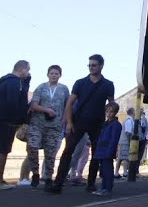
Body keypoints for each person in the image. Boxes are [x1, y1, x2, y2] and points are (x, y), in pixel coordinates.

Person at [46, 54, 115, 194]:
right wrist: (69, 122)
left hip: (97, 123)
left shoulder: (108, 85)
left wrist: (109, 121)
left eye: (94, 65)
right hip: (79, 121)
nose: (91, 67)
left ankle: (90, 184)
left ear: (101, 66)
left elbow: (111, 104)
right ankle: (58, 183)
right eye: (89, 65)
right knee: (67, 152)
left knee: (96, 154)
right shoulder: (80, 83)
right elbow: (70, 103)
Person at [20, 65, 68, 188]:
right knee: (32, 147)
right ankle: (35, 173)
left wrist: (64, 119)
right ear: (48, 74)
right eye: (51, 73)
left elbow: (68, 105)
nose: (54, 75)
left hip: (54, 126)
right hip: (38, 124)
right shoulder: (41, 88)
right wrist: (46, 110)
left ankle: (48, 177)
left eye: (56, 73)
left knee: (50, 152)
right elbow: (33, 105)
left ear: (60, 75)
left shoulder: (64, 89)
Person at [0, 59, 31, 190]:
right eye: (27, 71)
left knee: (4, 149)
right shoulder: (14, 82)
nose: (28, 74)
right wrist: (20, 119)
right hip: (4, 120)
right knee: (0, 149)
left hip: (1, 118)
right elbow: (13, 102)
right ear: (22, 69)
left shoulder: (9, 81)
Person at [90, 102, 123, 195]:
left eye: (111, 112)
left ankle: (107, 188)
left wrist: (110, 151)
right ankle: (103, 188)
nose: (109, 114)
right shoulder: (105, 124)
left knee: (108, 170)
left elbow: (114, 139)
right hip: (101, 149)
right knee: (103, 170)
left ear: (115, 112)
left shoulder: (116, 125)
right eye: (107, 111)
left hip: (107, 149)